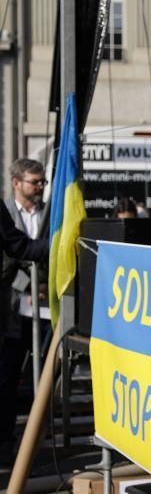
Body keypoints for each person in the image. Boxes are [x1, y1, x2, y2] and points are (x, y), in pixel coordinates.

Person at [0, 159, 50, 461]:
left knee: (40, 374)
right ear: (17, 182)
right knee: (7, 373)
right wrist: (28, 286)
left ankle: (31, 439)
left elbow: (24, 247)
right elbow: (18, 251)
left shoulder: (49, 211)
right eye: (35, 182)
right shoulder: (6, 209)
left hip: (43, 307)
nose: (40, 187)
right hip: (15, 304)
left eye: (43, 182)